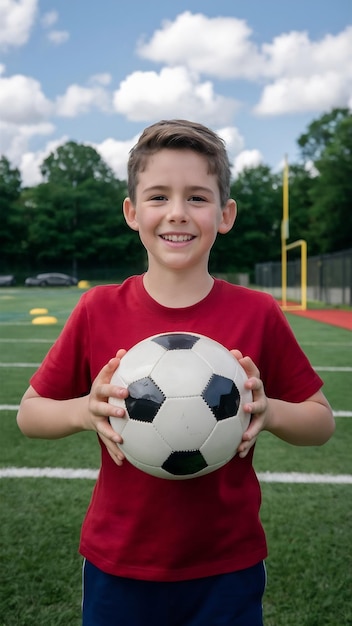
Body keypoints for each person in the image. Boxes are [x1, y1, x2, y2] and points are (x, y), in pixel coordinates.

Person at [17, 119, 335, 626]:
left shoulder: (258, 314)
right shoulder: (97, 309)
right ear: (132, 212)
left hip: (227, 564)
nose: (178, 214)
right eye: (159, 196)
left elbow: (322, 423)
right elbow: (28, 415)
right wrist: (83, 410)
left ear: (226, 214)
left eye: (198, 198)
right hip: (117, 561)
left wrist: (270, 412)